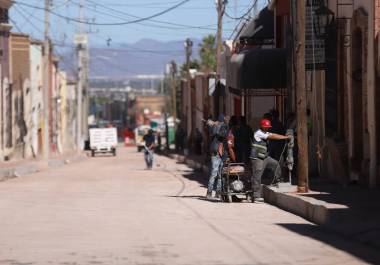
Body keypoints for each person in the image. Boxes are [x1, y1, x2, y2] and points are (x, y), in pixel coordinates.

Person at [250, 119, 291, 202]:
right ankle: (256, 195)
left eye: (268, 127)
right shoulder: (258, 133)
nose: (267, 128)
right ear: (261, 126)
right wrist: (285, 137)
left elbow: (273, 134)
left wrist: (284, 137)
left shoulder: (266, 133)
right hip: (257, 158)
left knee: (275, 164)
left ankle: (278, 180)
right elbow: (272, 136)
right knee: (257, 176)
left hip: (264, 157)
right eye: (266, 127)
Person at [204, 114, 229, 200]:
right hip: (216, 152)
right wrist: (212, 124)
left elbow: (223, 135)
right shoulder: (216, 127)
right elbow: (212, 133)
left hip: (222, 153)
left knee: (220, 175)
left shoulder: (223, 126)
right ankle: (209, 192)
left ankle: (218, 193)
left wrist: (214, 124)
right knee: (214, 173)